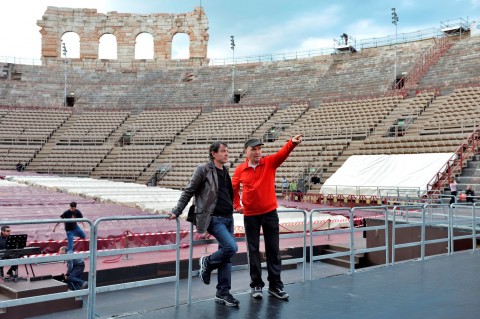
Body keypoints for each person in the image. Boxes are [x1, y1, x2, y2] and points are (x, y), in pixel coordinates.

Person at [167, 141, 239, 307]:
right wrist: (177, 210)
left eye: (227, 151)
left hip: (228, 217)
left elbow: (227, 194)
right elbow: (189, 190)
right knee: (231, 248)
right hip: (213, 218)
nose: (227, 154)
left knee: (226, 256)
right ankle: (206, 262)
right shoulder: (203, 169)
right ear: (213, 153)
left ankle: (223, 293)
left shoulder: (225, 171)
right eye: (223, 151)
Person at [232, 134, 303, 300]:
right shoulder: (240, 169)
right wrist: (237, 206)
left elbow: (282, 154)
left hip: (270, 213)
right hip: (250, 215)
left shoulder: (269, 162)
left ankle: (275, 286)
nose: (258, 152)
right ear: (246, 152)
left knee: (273, 250)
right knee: (253, 250)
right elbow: (233, 189)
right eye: (254, 149)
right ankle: (256, 284)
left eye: (259, 149)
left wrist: (292, 143)